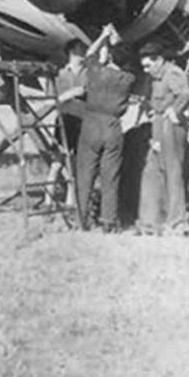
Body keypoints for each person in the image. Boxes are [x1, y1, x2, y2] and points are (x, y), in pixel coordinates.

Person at [74, 37, 137, 232]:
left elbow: (89, 55)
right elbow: (132, 62)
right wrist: (119, 42)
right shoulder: (128, 79)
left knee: (85, 174)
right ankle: (109, 221)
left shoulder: (96, 72)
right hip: (113, 126)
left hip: (91, 124)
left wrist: (102, 37)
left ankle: (81, 219)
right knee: (111, 176)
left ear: (109, 56)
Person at [135, 41, 189, 236]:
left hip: (172, 125)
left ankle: (177, 222)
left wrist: (173, 111)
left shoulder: (172, 73)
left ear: (159, 60)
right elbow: (148, 99)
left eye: (148, 65)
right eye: (143, 66)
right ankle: (149, 223)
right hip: (158, 124)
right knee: (151, 171)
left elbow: (186, 94)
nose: (145, 69)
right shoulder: (152, 78)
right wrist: (151, 113)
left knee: (172, 172)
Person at [40, 39, 87, 209]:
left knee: (75, 164)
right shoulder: (59, 74)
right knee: (57, 163)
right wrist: (69, 95)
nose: (84, 53)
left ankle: (70, 203)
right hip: (65, 120)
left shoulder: (88, 73)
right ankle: (48, 201)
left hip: (82, 121)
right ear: (72, 52)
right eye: (81, 50)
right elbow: (49, 101)